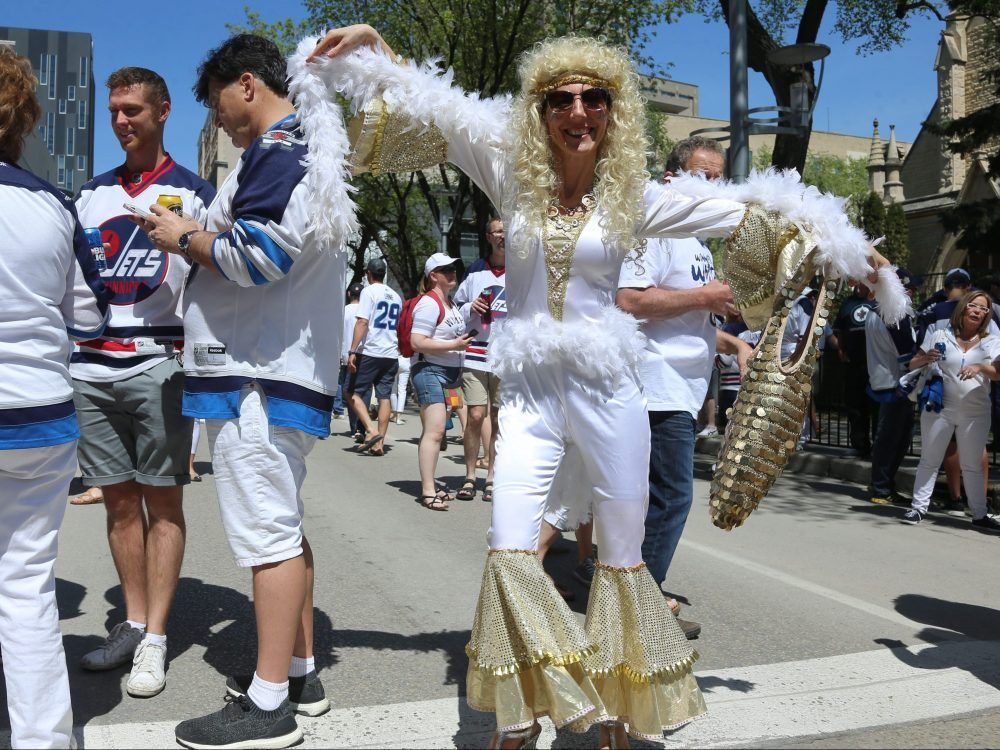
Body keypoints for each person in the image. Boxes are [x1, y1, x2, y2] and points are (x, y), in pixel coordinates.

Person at [308, 26, 893, 747]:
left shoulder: (635, 199)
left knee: (619, 553)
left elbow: (749, 211)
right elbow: (432, 107)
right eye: (562, 98)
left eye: (594, 98)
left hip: (611, 392)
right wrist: (375, 48)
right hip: (529, 394)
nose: (577, 111)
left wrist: (843, 243)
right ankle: (527, 701)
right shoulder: (506, 171)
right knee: (509, 544)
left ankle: (620, 711)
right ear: (541, 110)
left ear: (613, 113)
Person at [138, 34, 349, 747]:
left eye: (219, 102)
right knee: (281, 526)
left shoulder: (279, 150)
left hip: (256, 371)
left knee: (267, 536)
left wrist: (182, 237)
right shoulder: (302, 147)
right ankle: (298, 670)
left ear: (249, 84)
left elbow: (256, 259)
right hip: (268, 367)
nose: (220, 118)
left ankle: (268, 706)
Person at [73, 66, 215, 697]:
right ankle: (132, 622)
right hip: (92, 366)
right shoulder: (90, 195)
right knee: (118, 501)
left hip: (161, 362)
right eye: (114, 112)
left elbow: (218, 281)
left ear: (163, 113)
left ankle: (156, 637)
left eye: (133, 109)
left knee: (164, 500)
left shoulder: (196, 192)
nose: (122, 121)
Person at [0, 47, 109, 747]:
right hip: (41, 416)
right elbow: (91, 315)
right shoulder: (57, 206)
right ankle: (41, 736)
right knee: (27, 585)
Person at [617, 137, 752, 641]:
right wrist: (710, 294)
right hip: (656, 384)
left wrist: (729, 340)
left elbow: (686, 314)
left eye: (719, 178)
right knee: (671, 497)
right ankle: (639, 605)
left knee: (653, 498)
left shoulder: (696, 237)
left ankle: (626, 591)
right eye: (702, 175)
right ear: (672, 177)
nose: (712, 186)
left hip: (686, 385)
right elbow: (630, 299)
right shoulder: (654, 227)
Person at [902, 291, 1000, 530]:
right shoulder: (940, 334)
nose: (978, 311)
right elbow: (913, 362)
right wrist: (926, 358)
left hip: (975, 413)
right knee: (930, 459)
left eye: (984, 309)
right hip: (940, 408)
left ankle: (978, 513)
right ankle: (918, 507)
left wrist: (979, 367)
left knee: (972, 464)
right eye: (974, 306)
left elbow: (998, 373)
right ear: (964, 308)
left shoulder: (992, 340)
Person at [410, 253, 474, 510]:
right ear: (432, 276)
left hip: (449, 375)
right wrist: (454, 345)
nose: (452, 272)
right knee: (435, 432)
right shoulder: (429, 304)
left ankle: (431, 485)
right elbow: (417, 342)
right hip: (430, 371)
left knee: (439, 430)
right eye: (445, 269)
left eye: (454, 268)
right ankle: (428, 491)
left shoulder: (450, 303)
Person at [453, 216, 507, 501]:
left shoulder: (520, 272)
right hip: (475, 354)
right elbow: (456, 306)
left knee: (499, 418)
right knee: (476, 416)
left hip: (506, 356)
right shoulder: (475, 271)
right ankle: (470, 476)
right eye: (497, 232)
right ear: (488, 237)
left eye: (506, 232)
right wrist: (469, 307)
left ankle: (493, 476)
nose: (502, 236)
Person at [866, 269, 918, 505]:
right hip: (897, 383)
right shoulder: (894, 313)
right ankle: (881, 487)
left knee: (889, 436)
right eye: (909, 289)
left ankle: (882, 484)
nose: (911, 294)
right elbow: (908, 356)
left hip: (884, 380)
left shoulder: (875, 310)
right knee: (892, 438)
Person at [346, 258, 402, 455]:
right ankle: (380, 443)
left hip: (371, 350)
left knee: (353, 393)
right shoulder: (395, 296)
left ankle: (371, 429)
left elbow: (362, 322)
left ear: (368, 273)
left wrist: (352, 350)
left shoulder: (369, 292)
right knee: (384, 396)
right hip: (390, 352)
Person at [833, 284, 878, 456]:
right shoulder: (848, 303)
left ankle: (879, 444)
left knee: (876, 406)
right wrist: (841, 349)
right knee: (855, 406)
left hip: (875, 363)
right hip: (854, 363)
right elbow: (841, 330)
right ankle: (860, 444)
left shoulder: (879, 301)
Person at [340, 282, 365, 437]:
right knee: (362, 391)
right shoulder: (366, 311)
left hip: (346, 354)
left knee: (349, 390)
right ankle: (361, 425)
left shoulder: (343, 311)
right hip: (363, 353)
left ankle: (354, 426)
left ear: (349, 294)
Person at [390, 352, 411, 423]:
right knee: (402, 390)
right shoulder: (408, 340)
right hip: (406, 361)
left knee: (393, 390)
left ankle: (395, 414)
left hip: (394, 359)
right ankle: (398, 417)